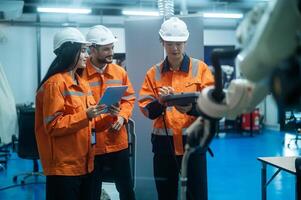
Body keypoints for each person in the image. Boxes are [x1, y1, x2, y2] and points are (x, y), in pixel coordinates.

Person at [138, 17, 215, 200]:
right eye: (170, 43)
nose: (175, 48)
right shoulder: (153, 72)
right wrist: (161, 101)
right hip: (164, 147)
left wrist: (191, 109)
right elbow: (147, 110)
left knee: (197, 195)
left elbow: (213, 106)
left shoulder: (200, 69)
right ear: (162, 42)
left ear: (186, 42)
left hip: (193, 144)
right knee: (166, 195)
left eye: (179, 43)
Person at [35, 27, 108, 200]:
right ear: (70, 52)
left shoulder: (82, 83)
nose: (86, 56)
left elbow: (90, 123)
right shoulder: (55, 84)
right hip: (64, 169)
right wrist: (86, 115)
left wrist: (108, 115)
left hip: (85, 164)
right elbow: (53, 126)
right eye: (82, 51)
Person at [82, 25, 136, 200]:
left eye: (112, 47)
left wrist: (122, 116)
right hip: (92, 145)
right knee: (92, 191)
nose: (111, 52)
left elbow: (129, 99)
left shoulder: (119, 72)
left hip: (117, 140)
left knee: (126, 189)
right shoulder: (80, 74)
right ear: (92, 50)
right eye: (106, 49)